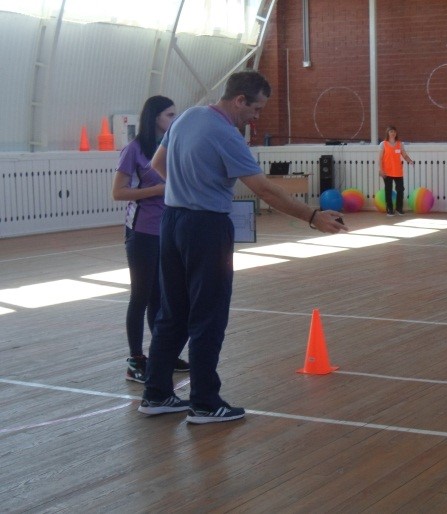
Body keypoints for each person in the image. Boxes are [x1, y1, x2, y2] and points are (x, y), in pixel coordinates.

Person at [139, 71, 346, 424]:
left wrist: (187, 189)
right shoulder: (226, 135)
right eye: (256, 108)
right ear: (239, 100)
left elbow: (157, 164)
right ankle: (205, 403)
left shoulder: (186, 117)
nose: (256, 116)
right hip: (206, 228)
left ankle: (156, 393)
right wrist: (312, 216)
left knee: (172, 313)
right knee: (208, 315)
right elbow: (264, 190)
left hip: (171, 222)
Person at [111, 95, 189, 383]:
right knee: (141, 295)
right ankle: (135, 360)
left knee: (161, 295)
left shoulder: (170, 146)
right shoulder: (133, 150)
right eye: (170, 115)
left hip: (168, 229)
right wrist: (155, 191)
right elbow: (118, 192)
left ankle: (161, 353)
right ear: (155, 117)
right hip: (142, 231)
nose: (174, 119)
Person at [378, 125, 414, 216]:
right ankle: (389, 209)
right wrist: (381, 170)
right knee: (388, 191)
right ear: (388, 133)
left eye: (394, 131)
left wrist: (410, 161)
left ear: (396, 133)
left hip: (398, 172)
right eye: (391, 131)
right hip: (387, 172)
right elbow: (380, 159)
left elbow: (404, 155)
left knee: (400, 190)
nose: (393, 133)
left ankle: (399, 208)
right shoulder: (383, 144)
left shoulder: (400, 144)